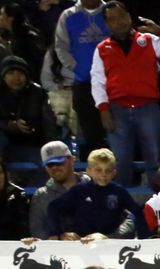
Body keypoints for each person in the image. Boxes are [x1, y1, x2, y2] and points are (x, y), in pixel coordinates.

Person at [90, 1, 160, 186]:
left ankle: (159, 205)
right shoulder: (102, 48)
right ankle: (122, 206)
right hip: (117, 109)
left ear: (129, 16)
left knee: (154, 159)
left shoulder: (148, 40)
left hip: (148, 107)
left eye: (122, 16)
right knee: (120, 161)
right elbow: (98, 81)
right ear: (107, 24)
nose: (119, 22)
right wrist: (103, 108)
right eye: (113, 19)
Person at [54, 0, 109, 159]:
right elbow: (61, 46)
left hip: (112, 84)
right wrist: (76, 67)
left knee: (117, 132)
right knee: (90, 135)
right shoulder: (68, 15)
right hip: (83, 83)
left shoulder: (111, 11)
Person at [49, 148, 143, 240]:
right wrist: (57, 233)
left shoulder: (119, 192)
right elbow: (53, 207)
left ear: (114, 173)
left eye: (108, 170)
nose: (103, 174)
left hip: (110, 244)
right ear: (88, 171)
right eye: (98, 170)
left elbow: (138, 212)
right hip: (83, 244)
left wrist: (145, 238)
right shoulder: (79, 190)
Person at [0, 56, 56, 164]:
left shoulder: (39, 94)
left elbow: (49, 123)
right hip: (6, 147)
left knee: (50, 160)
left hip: (33, 146)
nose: (16, 78)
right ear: (4, 77)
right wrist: (11, 125)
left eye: (20, 73)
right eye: (11, 73)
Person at [29, 142, 93, 239]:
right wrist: (59, 238)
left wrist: (103, 237)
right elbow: (37, 231)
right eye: (49, 165)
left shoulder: (95, 186)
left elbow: (121, 221)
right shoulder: (40, 196)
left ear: (72, 159)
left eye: (59, 162)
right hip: (58, 253)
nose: (54, 168)